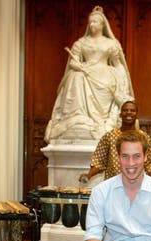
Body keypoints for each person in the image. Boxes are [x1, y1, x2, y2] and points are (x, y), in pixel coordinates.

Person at [45, 6, 134, 143]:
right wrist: (79, 66)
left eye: (95, 22)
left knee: (106, 84)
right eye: (90, 22)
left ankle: (100, 123)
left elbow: (117, 64)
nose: (92, 24)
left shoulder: (111, 43)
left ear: (102, 24)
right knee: (75, 76)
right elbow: (73, 62)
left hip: (105, 74)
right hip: (84, 71)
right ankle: (78, 117)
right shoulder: (81, 43)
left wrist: (122, 82)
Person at [79, 101, 151, 183]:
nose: (128, 112)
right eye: (125, 110)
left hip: (137, 185)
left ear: (136, 115)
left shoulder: (144, 137)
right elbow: (99, 161)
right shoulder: (109, 136)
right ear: (120, 114)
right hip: (113, 186)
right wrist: (89, 175)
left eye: (132, 110)